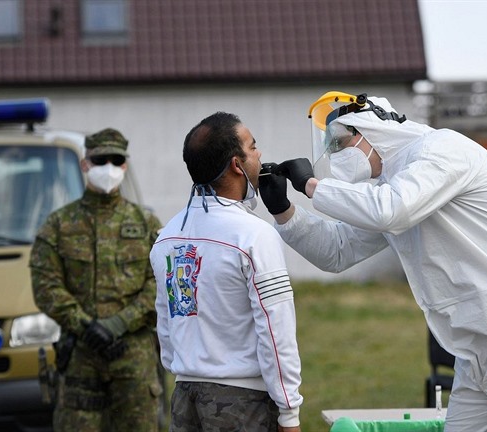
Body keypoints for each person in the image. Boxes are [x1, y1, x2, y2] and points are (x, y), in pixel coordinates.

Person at [259, 92, 487, 432]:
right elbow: (339, 250)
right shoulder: (393, 184)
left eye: (340, 142)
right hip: (480, 353)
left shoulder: (441, 150)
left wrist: (311, 185)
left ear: (374, 126)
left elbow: (392, 208)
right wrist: (285, 212)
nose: (335, 153)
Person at [149, 112, 303, 432]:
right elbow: (276, 329)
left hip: (184, 396)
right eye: (253, 146)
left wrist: (186, 368)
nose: (259, 154)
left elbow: (165, 320)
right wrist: (289, 411)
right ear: (237, 164)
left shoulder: (167, 237)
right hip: (242, 402)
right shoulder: (254, 235)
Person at [29, 128, 163, 432]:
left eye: (116, 160)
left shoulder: (146, 224)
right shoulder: (59, 225)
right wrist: (87, 327)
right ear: (85, 163)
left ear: (125, 166)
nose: (109, 167)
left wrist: (118, 324)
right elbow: (46, 286)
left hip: (134, 358)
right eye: (101, 159)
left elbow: (162, 283)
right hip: (80, 357)